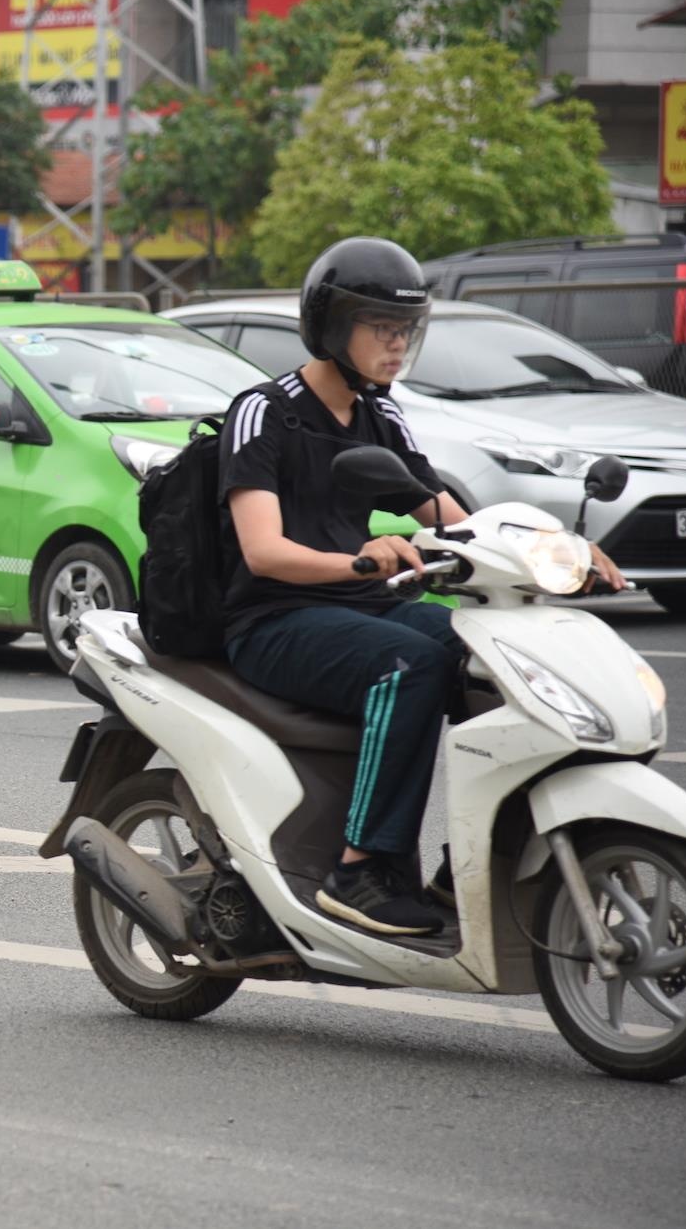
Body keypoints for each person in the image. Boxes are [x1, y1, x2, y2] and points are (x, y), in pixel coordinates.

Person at [217, 236, 622, 935]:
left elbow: (456, 521)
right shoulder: (265, 411)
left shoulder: (381, 413)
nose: (397, 344)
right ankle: (360, 869)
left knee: (490, 655)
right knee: (411, 664)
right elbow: (263, 552)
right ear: (332, 326)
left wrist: (563, 550)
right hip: (272, 618)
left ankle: (482, 853)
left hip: (354, 608)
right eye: (381, 326)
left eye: (406, 329)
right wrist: (362, 565)